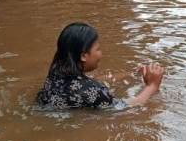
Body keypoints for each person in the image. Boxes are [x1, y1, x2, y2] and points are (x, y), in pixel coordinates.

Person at [36, 23, 164, 110]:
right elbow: (124, 108)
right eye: (98, 49)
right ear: (84, 56)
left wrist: (132, 75)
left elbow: (91, 82)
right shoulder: (93, 91)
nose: (100, 54)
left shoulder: (56, 72)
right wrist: (152, 86)